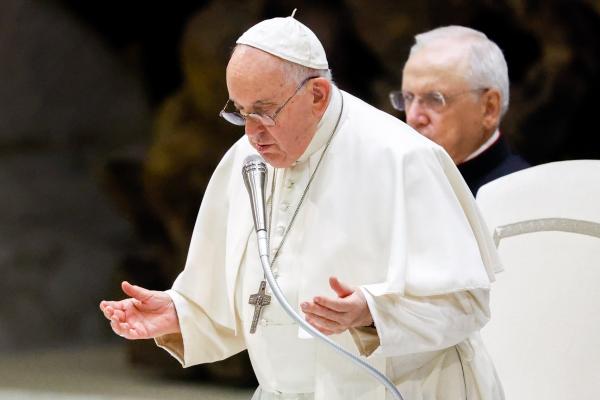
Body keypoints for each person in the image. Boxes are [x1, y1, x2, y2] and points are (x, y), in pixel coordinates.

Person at [100, 14, 504, 400]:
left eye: (264, 111)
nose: (252, 133)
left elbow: (466, 303)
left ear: (317, 95)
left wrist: (372, 313)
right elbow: (237, 297)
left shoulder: (400, 158)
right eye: (240, 113)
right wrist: (179, 313)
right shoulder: (245, 160)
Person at [390, 25, 529, 195]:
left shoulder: (524, 198)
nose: (413, 117)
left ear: (489, 108)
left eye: (434, 99)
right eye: (408, 98)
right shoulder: (398, 186)